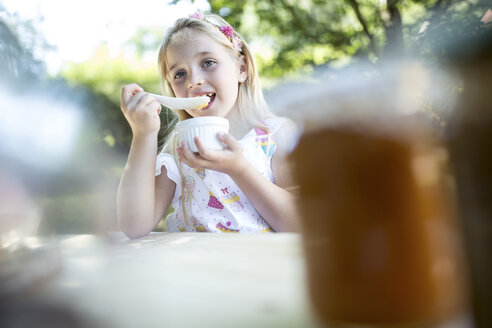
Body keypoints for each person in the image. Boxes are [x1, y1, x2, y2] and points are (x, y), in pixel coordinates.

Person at [117, 13, 299, 237]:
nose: (193, 81)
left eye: (208, 63)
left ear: (242, 68)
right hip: (197, 268)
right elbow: (134, 226)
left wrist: (239, 169)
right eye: (179, 74)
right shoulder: (178, 149)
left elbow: (300, 223)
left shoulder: (276, 135)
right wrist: (143, 134)